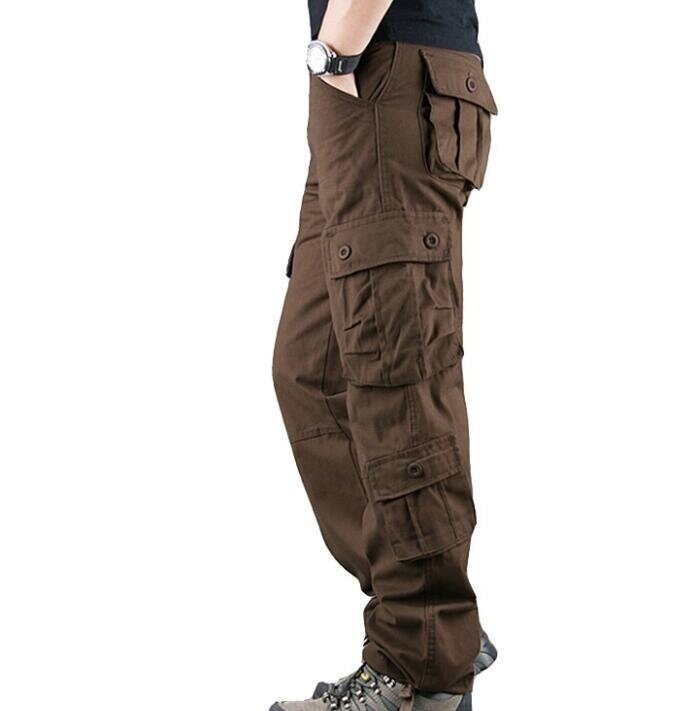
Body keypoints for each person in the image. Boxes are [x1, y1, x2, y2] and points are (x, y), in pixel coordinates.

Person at [272, 1, 498, 708]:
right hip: (357, 85)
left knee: (396, 377)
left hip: (385, 68)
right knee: (313, 370)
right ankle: (434, 621)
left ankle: (422, 657)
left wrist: (336, 48)